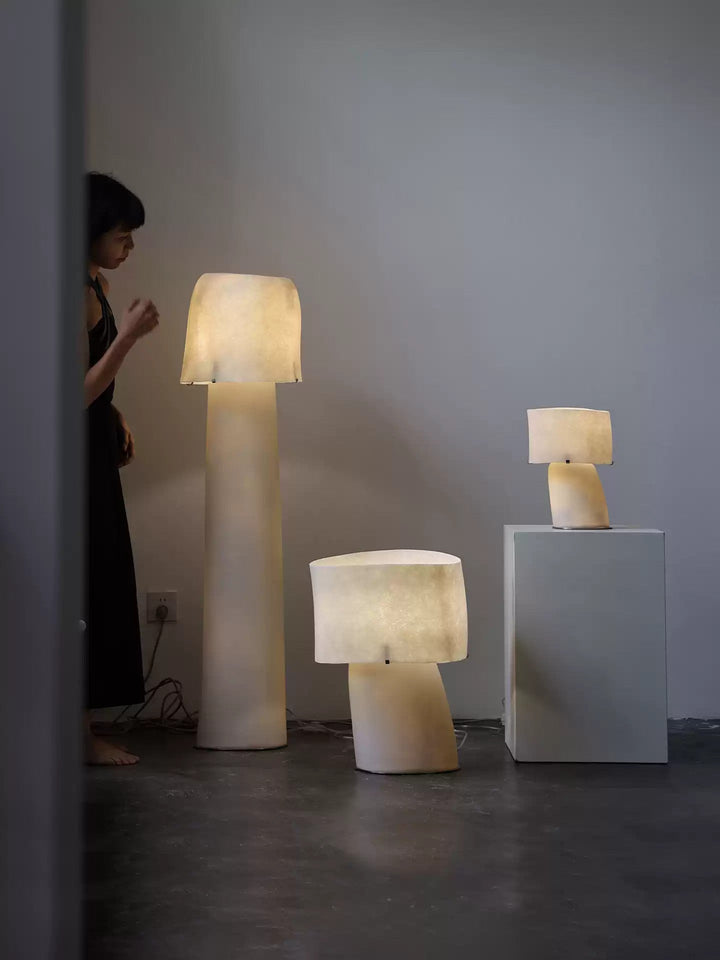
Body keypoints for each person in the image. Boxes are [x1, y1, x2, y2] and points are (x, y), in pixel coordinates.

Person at [83, 172, 159, 765]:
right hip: (72, 460)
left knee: (101, 580)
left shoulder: (95, 283)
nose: (129, 247)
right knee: (86, 583)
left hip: (93, 445)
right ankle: (76, 738)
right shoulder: (73, 292)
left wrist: (114, 412)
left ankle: (79, 734)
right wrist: (127, 337)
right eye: (121, 235)